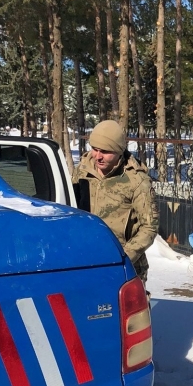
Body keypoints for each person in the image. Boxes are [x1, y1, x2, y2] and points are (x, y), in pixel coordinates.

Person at [72, 120, 159, 285]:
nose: (98, 156)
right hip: (87, 261)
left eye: (105, 151)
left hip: (125, 267)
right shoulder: (81, 172)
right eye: (95, 149)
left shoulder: (137, 181)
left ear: (119, 151)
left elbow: (149, 227)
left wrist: (122, 257)